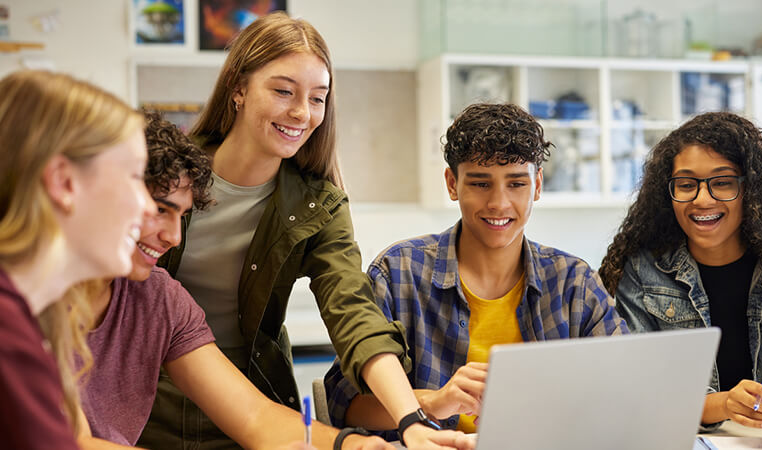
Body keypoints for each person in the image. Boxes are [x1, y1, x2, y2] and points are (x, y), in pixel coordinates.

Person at [138, 12, 471, 450]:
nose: (302, 112)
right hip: (145, 403)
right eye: (283, 91)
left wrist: (409, 419)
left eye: (318, 98)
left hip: (258, 408)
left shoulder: (318, 203)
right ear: (238, 88)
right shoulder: (168, 173)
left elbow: (353, 310)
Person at [80, 111, 390, 450]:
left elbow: (253, 415)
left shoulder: (160, 298)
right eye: (159, 210)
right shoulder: (30, 298)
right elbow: (68, 441)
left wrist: (348, 445)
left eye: (181, 216)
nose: (173, 237)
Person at [324, 102, 629, 435]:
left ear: (537, 185)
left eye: (516, 184)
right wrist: (433, 403)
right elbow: (344, 404)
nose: (498, 203)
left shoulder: (574, 283)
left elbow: (626, 390)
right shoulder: (398, 273)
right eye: (481, 184)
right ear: (452, 183)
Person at [598, 111, 762, 433]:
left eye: (722, 183)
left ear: (753, 190)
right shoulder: (640, 271)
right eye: (686, 184)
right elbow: (638, 392)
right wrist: (723, 404)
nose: (702, 199)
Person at [0, 70, 153, 448]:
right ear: (64, 182)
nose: (148, 206)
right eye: (135, 177)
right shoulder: (7, 337)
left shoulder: (29, 322)